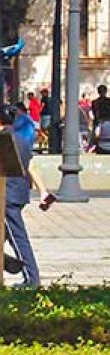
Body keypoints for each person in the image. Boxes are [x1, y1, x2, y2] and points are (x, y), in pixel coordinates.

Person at [2, 105, 41, 286]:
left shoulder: (4, 141)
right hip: (17, 193)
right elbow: (29, 166)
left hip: (6, 196)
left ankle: (31, 278)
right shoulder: (21, 140)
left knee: (18, 237)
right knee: (11, 234)